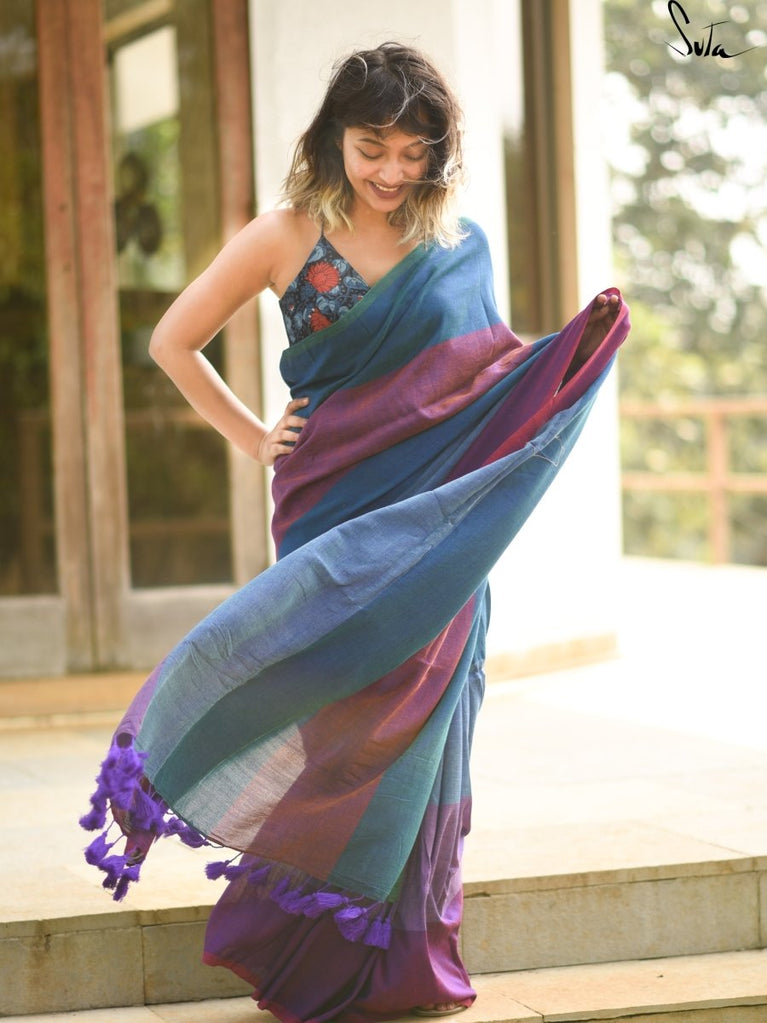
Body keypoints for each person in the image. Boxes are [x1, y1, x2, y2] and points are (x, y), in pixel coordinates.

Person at [81, 41, 628, 1023]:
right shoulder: (283, 235)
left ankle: (403, 952)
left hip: (434, 523)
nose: (390, 171)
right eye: (372, 146)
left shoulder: (457, 244)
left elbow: (486, 377)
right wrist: (255, 437)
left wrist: (568, 355)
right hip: (329, 504)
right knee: (334, 714)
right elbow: (173, 340)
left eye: (413, 153)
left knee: (422, 722)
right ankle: (309, 949)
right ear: (334, 135)